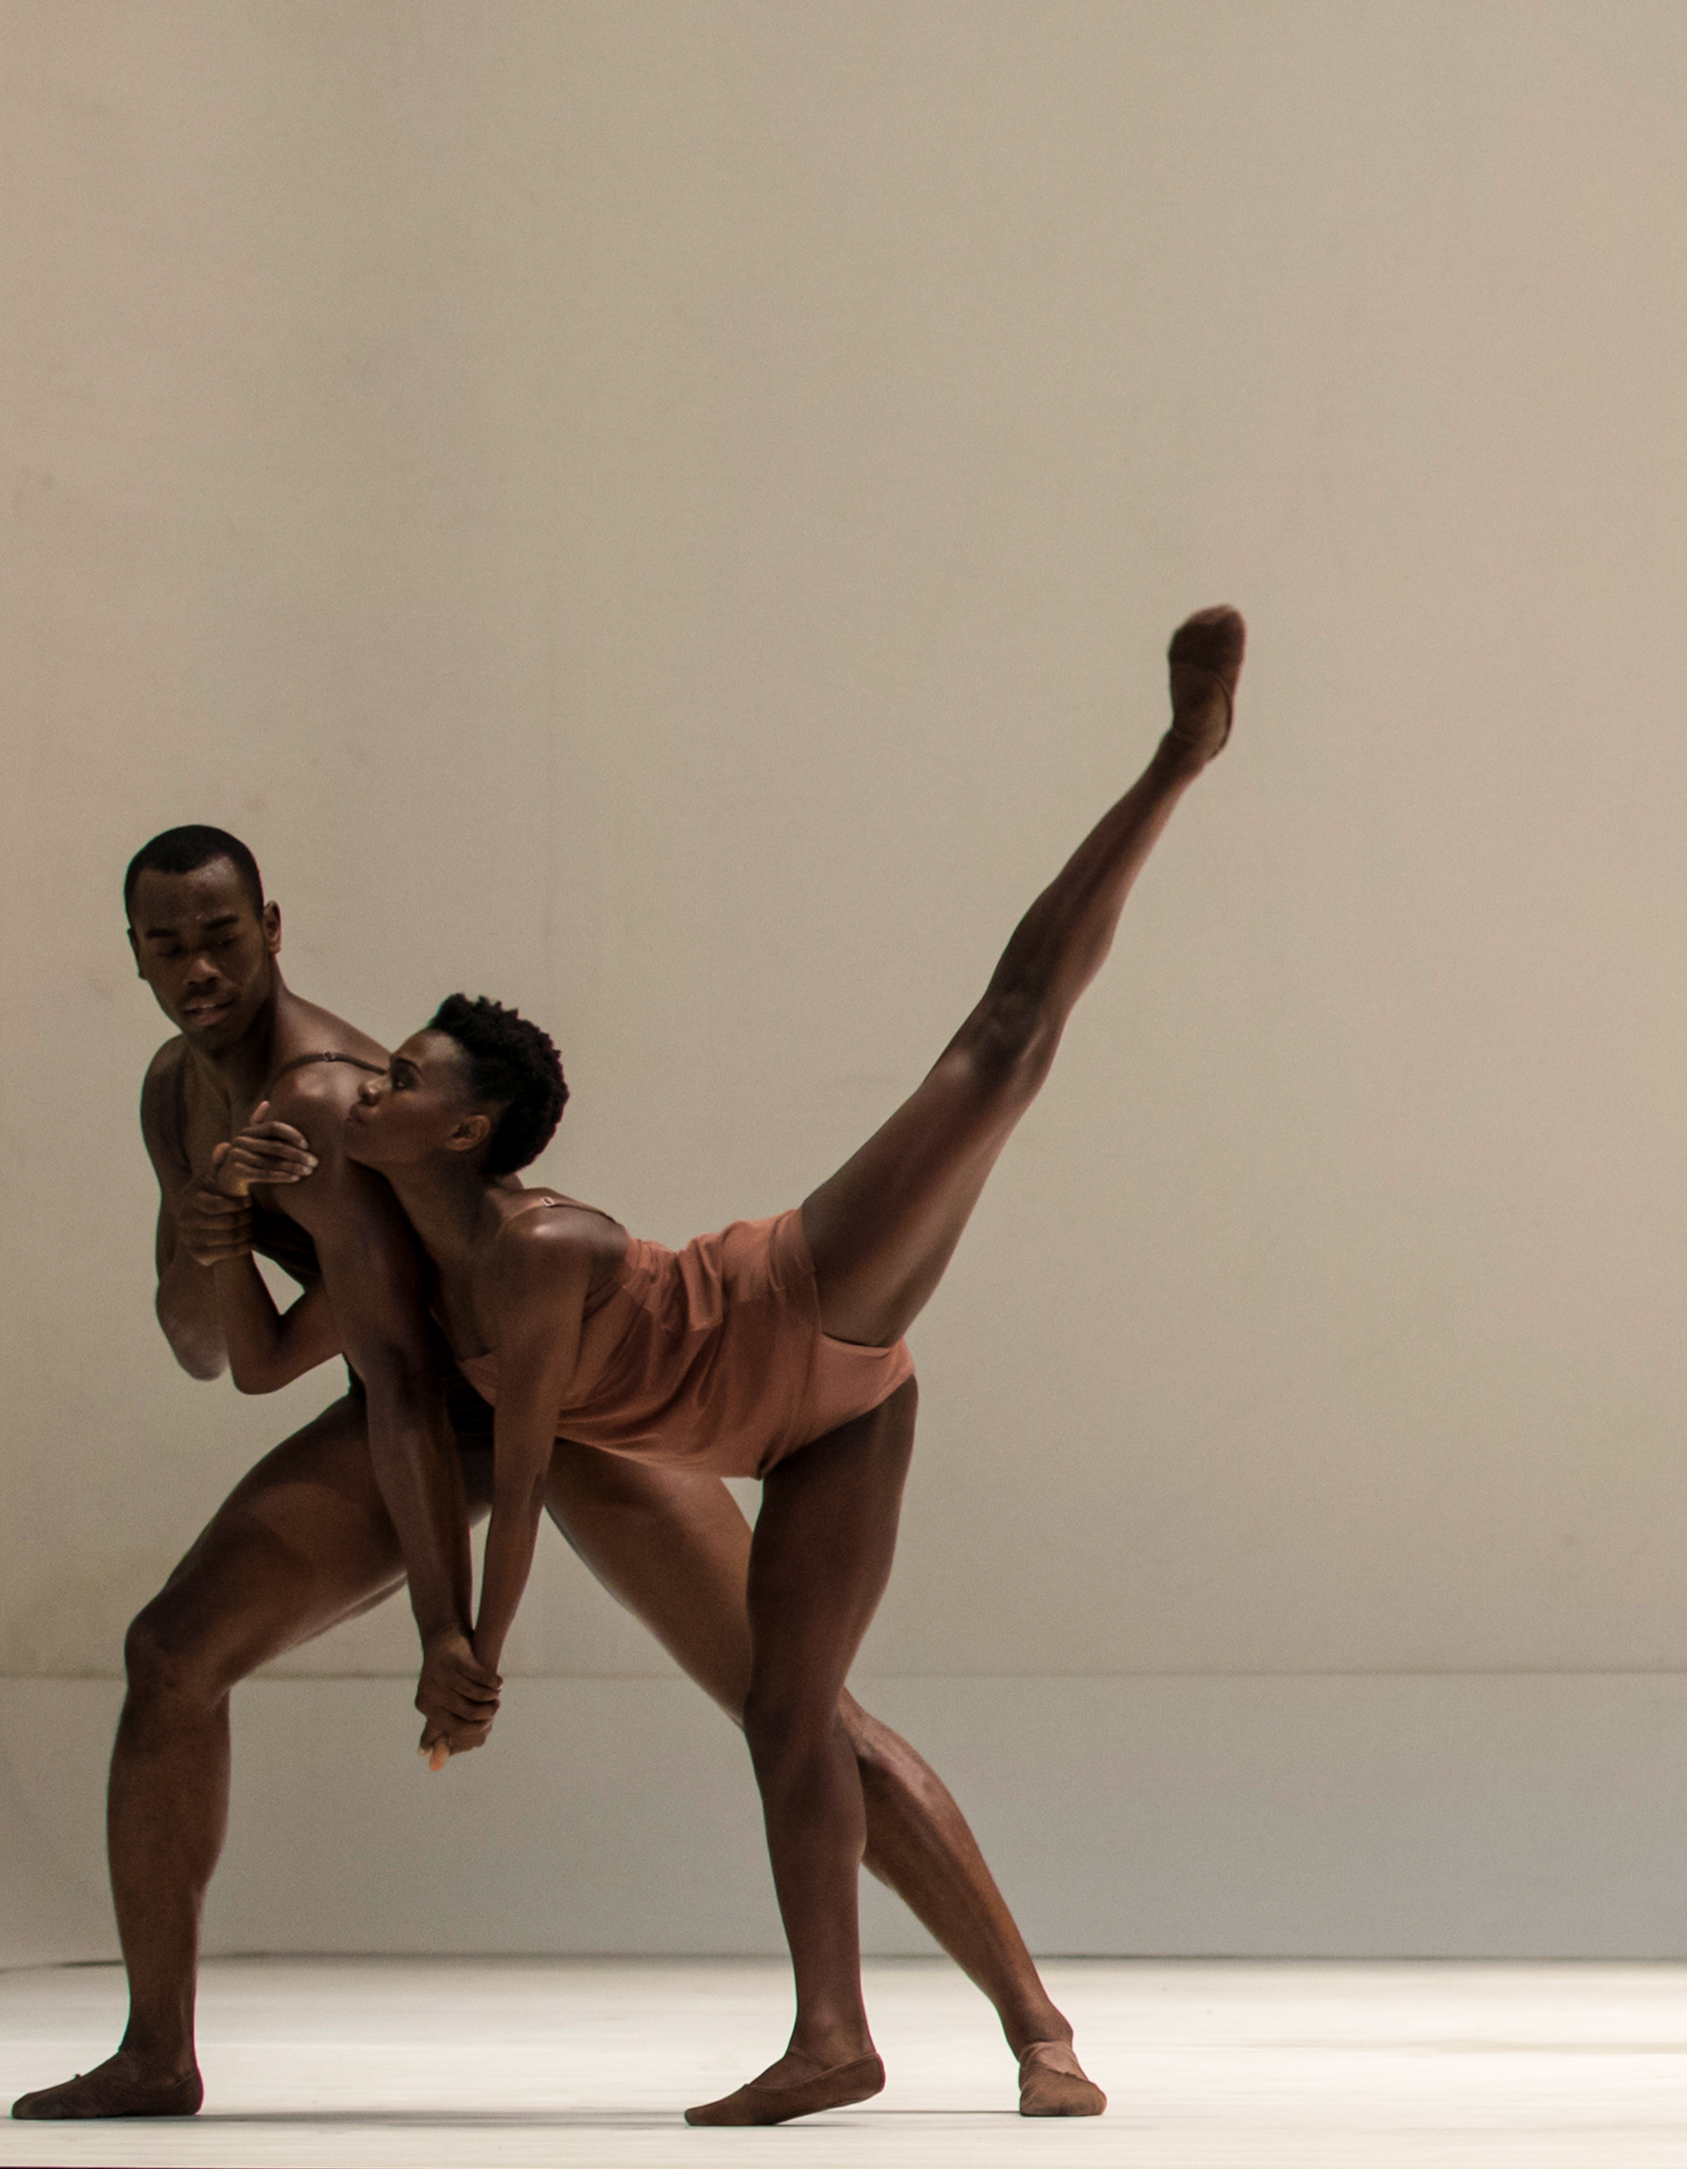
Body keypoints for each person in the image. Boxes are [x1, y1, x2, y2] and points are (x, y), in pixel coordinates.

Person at [324, 608, 1238, 2124]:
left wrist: (473, 1654)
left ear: (470, 1126)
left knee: (999, 1050)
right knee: (792, 1713)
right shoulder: (392, 1252)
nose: (373, 1080)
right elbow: (310, 1356)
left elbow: (535, 1464)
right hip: (795, 1442)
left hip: (794, 1312)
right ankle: (856, 2036)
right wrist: (229, 1207)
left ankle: (1173, 760)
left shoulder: (540, 1245)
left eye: (405, 1074)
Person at [19, 829, 1089, 2125]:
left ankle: (1037, 2022)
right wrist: (209, 1239)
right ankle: (155, 2049)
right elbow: (222, 1350)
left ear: (274, 926)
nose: (197, 967)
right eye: (168, 943)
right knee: (171, 1655)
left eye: (221, 937)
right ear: (130, 950)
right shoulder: (173, 1097)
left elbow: (409, 1378)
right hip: (415, 1398)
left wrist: (447, 1622)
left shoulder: (320, 1090)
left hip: (548, 1399)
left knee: (792, 1705)